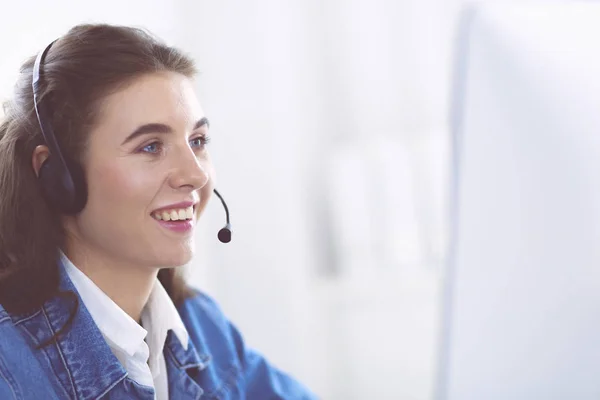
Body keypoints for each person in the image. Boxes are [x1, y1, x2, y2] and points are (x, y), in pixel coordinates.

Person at [0, 23, 316, 400]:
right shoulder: (10, 364)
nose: (196, 175)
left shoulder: (201, 325)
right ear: (56, 175)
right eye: (151, 147)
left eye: (197, 141)